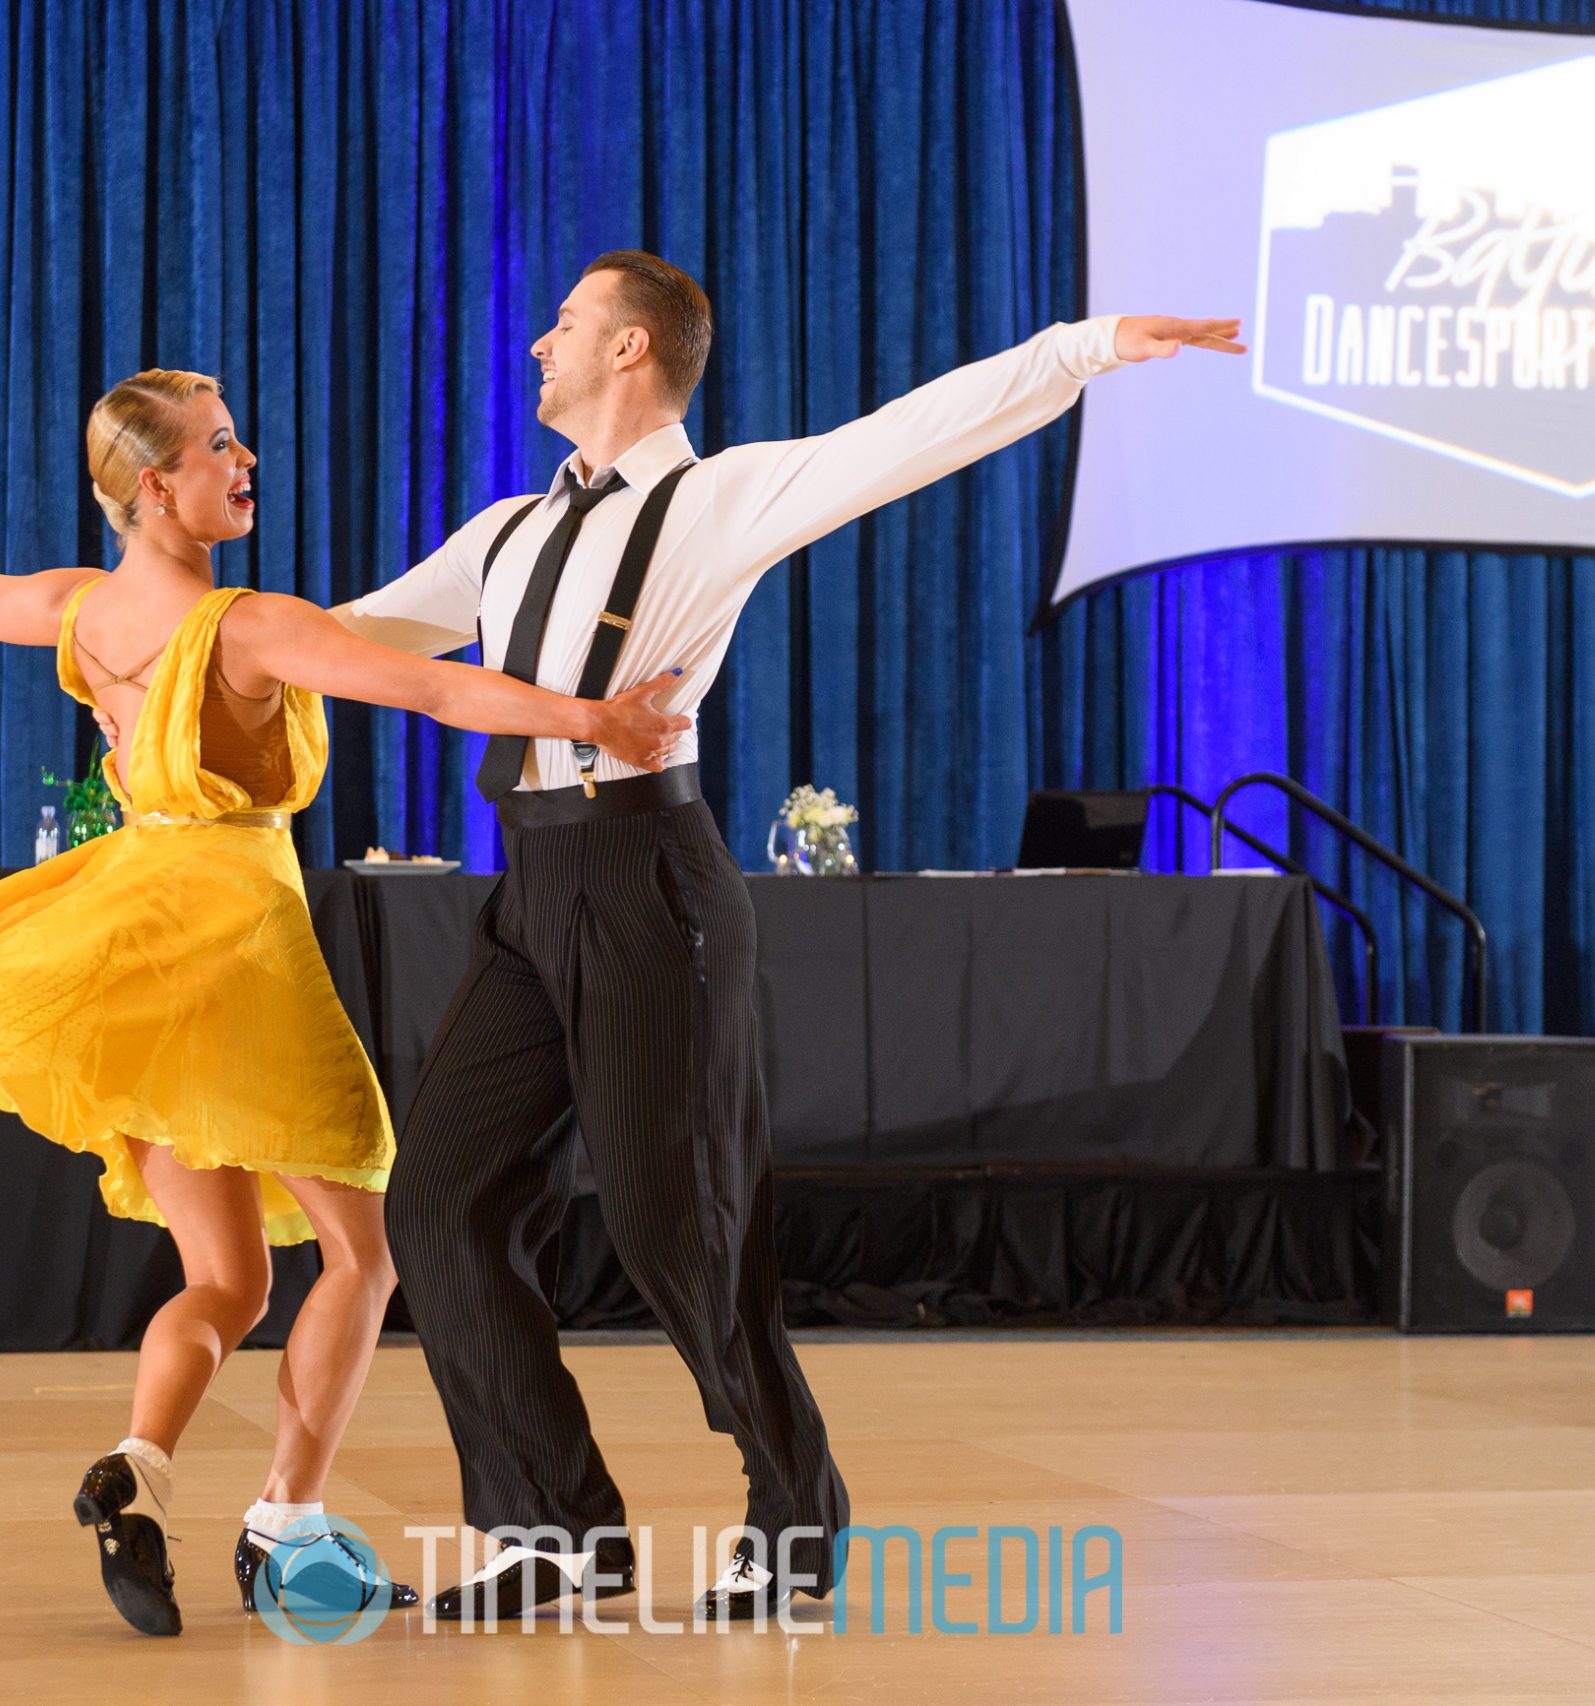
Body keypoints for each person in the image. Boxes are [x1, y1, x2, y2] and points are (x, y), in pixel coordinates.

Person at [332, 248, 1241, 1622]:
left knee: (676, 1228)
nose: (537, 343)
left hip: (654, 887)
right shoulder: (508, 530)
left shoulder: (720, 497)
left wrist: (1090, 344)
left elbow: (911, 437)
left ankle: (793, 1513)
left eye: (565, 323)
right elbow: (343, 641)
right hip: (529, 887)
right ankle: (554, 1531)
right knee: (438, 1200)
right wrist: (156, 650)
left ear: (631, 350)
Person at [0, 368, 688, 1640]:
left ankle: (141, 1465)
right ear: (154, 486)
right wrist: (592, 719)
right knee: (369, 1245)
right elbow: (438, 691)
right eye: (218, 447)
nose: (246, 460)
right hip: (233, 946)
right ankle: (284, 1524)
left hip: (131, 945)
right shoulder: (243, 625)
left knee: (225, 1276)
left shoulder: (81, 609)